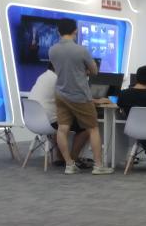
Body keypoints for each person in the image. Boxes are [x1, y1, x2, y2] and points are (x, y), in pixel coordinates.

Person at [48, 18, 112, 175]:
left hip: (61, 94)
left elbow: (61, 69)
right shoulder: (81, 50)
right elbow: (94, 71)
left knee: (62, 129)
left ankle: (69, 165)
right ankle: (98, 166)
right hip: (80, 95)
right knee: (93, 128)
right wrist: (84, 70)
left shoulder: (52, 50)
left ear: (58, 31)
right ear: (75, 30)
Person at [27, 64, 90, 166]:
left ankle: (61, 158)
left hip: (33, 121)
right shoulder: (58, 80)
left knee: (61, 124)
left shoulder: (43, 76)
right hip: (48, 121)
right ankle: (73, 160)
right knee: (86, 127)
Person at [117, 65, 146, 163]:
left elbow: (120, 107)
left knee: (142, 124)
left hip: (132, 128)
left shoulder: (124, 94)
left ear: (136, 78)